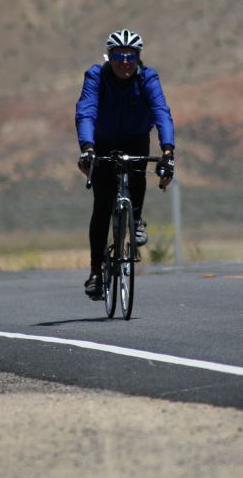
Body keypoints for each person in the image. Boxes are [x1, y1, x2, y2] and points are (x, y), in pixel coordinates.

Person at [75, 29, 176, 300]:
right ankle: (96, 272)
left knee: (138, 170)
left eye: (130, 56)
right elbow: (85, 111)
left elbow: (161, 112)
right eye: (119, 56)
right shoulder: (96, 76)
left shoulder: (148, 78)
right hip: (102, 142)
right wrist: (87, 148)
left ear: (138, 57)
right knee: (102, 205)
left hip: (135, 139)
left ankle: (138, 220)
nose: (125, 62)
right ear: (110, 57)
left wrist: (168, 150)